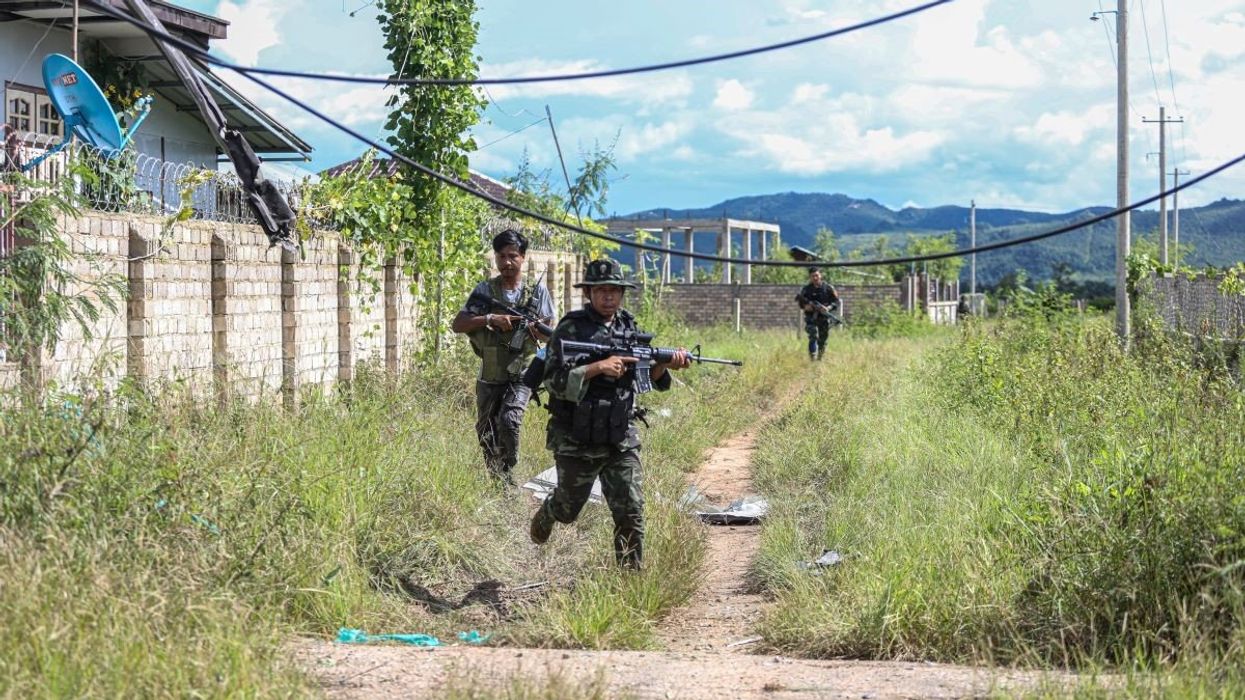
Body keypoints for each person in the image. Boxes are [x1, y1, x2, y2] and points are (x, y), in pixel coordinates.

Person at [529, 258, 690, 570]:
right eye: (601, 290)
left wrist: (665, 364)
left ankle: (631, 582)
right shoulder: (570, 328)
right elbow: (553, 381)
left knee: (631, 511)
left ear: (622, 293)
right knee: (568, 509)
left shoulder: (629, 328)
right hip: (577, 436)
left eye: (614, 291)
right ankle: (548, 512)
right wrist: (596, 368)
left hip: (619, 436)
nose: (608, 297)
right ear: (588, 292)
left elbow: (653, 381)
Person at [452, 229, 555, 485]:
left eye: (513, 256)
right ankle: (497, 481)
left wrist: (535, 329)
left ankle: (508, 473)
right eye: (501, 256)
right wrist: (490, 318)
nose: (507, 262)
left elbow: (551, 333)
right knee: (486, 431)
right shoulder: (485, 290)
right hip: (491, 371)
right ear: (495, 258)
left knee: (509, 420)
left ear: (523, 258)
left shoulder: (537, 293)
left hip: (523, 373)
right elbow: (459, 323)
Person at [795, 267, 840, 361]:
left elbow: (836, 302)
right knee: (813, 335)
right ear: (810, 277)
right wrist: (806, 307)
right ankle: (812, 358)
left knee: (823, 340)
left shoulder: (828, 288)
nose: (815, 278)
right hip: (811, 317)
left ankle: (820, 358)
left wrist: (828, 308)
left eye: (816, 275)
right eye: (812, 276)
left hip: (824, 317)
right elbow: (800, 302)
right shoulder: (806, 289)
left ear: (820, 275)